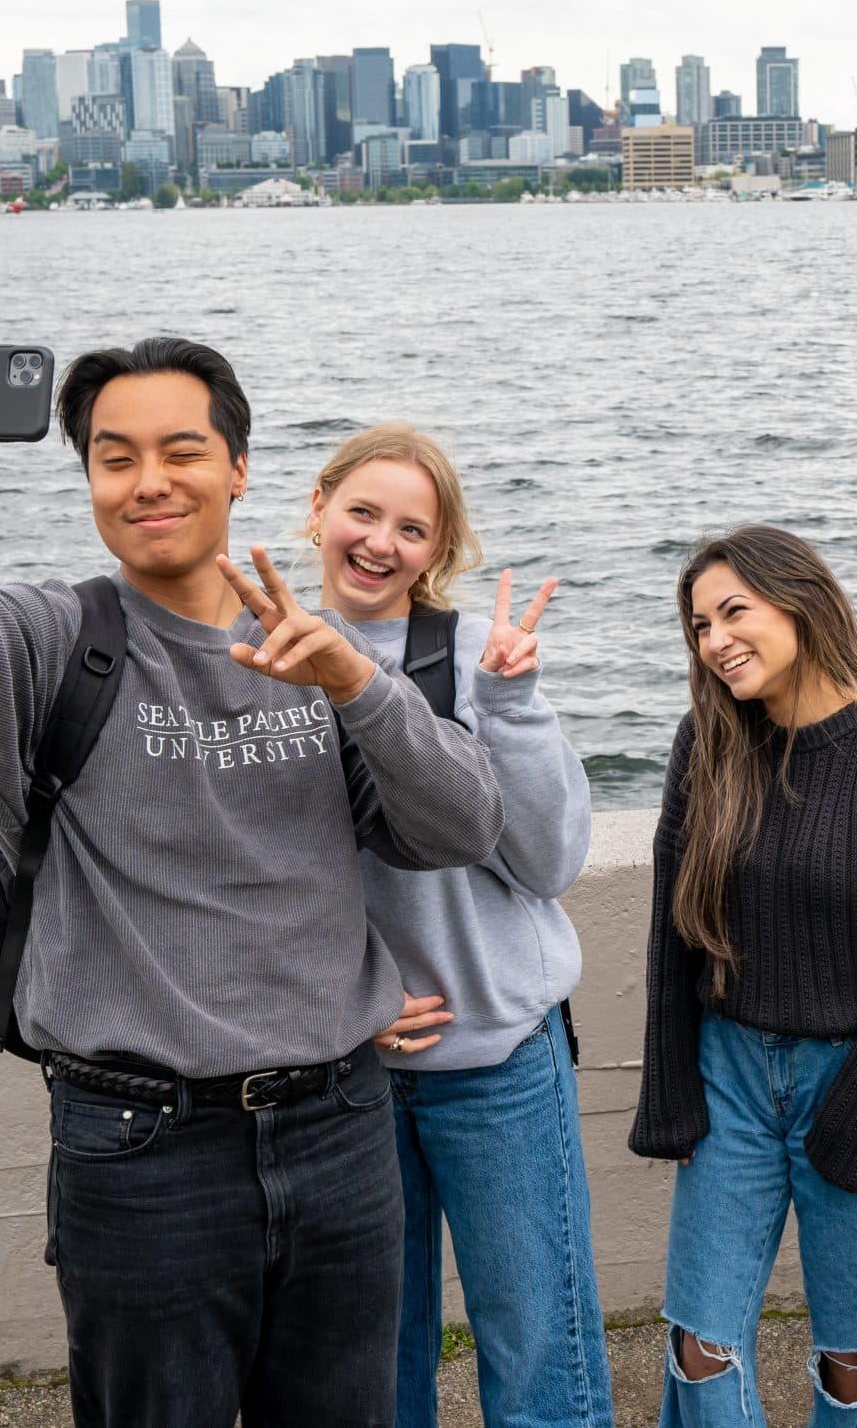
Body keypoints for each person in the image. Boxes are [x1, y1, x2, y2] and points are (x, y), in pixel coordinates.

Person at [0, 328, 504, 1428]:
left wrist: (356, 685)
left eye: (182, 451)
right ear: (86, 477)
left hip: (340, 1131)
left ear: (239, 466)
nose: (150, 483)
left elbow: (461, 823)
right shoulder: (55, 644)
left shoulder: (317, 650)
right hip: (143, 1155)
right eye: (113, 457)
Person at [631, 526, 857, 1428]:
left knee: (855, 1360)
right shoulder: (708, 742)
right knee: (699, 1341)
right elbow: (672, 926)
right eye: (699, 625)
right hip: (730, 1074)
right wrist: (672, 1088)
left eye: (734, 611)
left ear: (799, 603)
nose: (715, 639)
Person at [299, 423, 612, 1428]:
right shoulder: (270, 657)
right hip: (347, 1079)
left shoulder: (477, 654)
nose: (380, 542)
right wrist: (344, 1004)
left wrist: (511, 709)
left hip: (499, 1066)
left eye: (412, 528)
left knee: (539, 1350)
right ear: (317, 510)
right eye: (363, 512)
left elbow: (547, 864)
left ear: (439, 551)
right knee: (370, 1364)